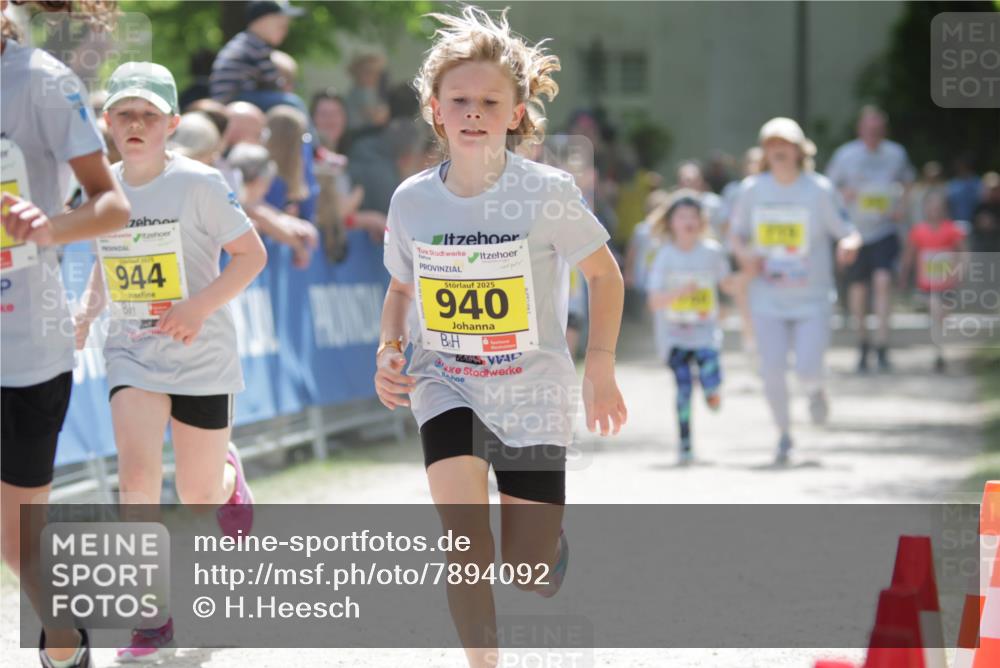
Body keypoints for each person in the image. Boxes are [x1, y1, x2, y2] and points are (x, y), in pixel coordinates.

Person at [375, 8, 627, 667]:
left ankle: (548, 547)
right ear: (436, 110)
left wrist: (599, 365)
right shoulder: (412, 201)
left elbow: (604, 275)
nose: (474, 112)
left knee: (528, 570)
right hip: (446, 381)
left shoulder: (546, 192)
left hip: (533, 391)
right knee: (463, 543)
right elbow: (402, 289)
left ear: (517, 112)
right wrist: (390, 351)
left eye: (490, 101)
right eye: (459, 100)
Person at [73, 61, 266, 662]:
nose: (135, 124)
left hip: (199, 353)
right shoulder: (102, 185)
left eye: (148, 115)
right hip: (133, 348)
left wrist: (197, 307)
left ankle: (230, 480)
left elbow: (251, 256)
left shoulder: (200, 184)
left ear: (172, 124)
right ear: (107, 123)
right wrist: (85, 312)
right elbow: (111, 258)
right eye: (124, 114)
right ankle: (150, 621)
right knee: (135, 479)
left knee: (198, 493)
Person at [1, 4, 130, 666]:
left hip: (22, 346)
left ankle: (63, 638)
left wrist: (47, 227)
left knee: (17, 541)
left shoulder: (40, 83)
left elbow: (111, 204)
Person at [730, 117, 861, 464]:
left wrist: (849, 243)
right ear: (764, 152)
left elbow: (846, 229)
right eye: (771, 144)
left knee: (806, 368)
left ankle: (816, 389)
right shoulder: (752, 190)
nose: (778, 150)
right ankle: (784, 435)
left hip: (812, 299)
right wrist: (745, 257)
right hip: (766, 298)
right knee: (771, 370)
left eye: (785, 144)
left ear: (799, 150)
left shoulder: (817, 189)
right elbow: (736, 234)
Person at [645, 191, 738, 464]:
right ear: (670, 222)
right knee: (683, 389)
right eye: (682, 216)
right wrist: (680, 293)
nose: (688, 221)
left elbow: (726, 285)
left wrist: (737, 285)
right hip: (673, 336)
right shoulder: (664, 256)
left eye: (694, 216)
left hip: (705, 332)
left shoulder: (712, 252)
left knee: (709, 370)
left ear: (702, 221)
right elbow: (654, 302)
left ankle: (712, 389)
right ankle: (685, 443)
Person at [825, 105, 914, 372]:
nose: (873, 133)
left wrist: (902, 207)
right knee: (859, 290)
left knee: (884, 280)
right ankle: (863, 343)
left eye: (878, 129)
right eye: (869, 128)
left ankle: (883, 344)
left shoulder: (896, 153)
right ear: (860, 129)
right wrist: (845, 194)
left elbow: (909, 182)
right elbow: (828, 188)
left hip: (884, 230)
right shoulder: (845, 155)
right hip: (854, 234)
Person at [899, 191, 966, 372]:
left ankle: (940, 347)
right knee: (936, 311)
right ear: (925, 208)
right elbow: (909, 256)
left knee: (942, 316)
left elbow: (963, 254)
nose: (934, 210)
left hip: (947, 283)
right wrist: (903, 277)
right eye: (931, 206)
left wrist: (961, 273)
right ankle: (939, 352)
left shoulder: (952, 229)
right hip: (926, 285)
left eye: (938, 207)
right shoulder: (918, 231)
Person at [208, 0, 306, 113]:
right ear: (264, 21)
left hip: (230, 98)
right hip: (236, 99)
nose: (285, 31)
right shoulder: (257, 46)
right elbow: (273, 84)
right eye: (281, 25)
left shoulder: (245, 42)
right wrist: (286, 83)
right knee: (292, 103)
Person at [947, 153, 982, 224]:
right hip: (954, 221)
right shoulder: (952, 183)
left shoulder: (976, 182)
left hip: (974, 222)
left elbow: (981, 201)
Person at [971, 171, 1000, 253]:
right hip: (983, 250)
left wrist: (993, 224)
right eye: (989, 189)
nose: (992, 192)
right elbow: (973, 224)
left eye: (995, 189)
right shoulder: (978, 206)